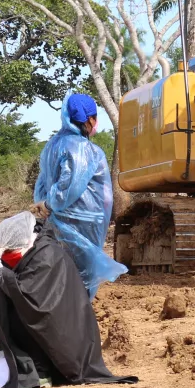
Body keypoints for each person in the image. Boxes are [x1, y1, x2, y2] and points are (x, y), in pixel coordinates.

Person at [0, 211, 136, 388]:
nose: (7, 257)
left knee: (21, 316)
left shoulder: (47, 256)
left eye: (10, 252)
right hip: (47, 324)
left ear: (25, 241)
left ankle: (41, 371)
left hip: (63, 336)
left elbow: (28, 298)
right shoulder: (28, 252)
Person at [32, 93, 127, 298]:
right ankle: (76, 323)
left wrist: (42, 204)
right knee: (81, 279)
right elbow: (70, 185)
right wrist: (50, 203)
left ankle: (64, 319)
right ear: (89, 120)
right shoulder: (84, 149)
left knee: (60, 274)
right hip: (83, 222)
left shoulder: (52, 145)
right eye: (94, 118)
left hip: (57, 220)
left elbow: (42, 181)